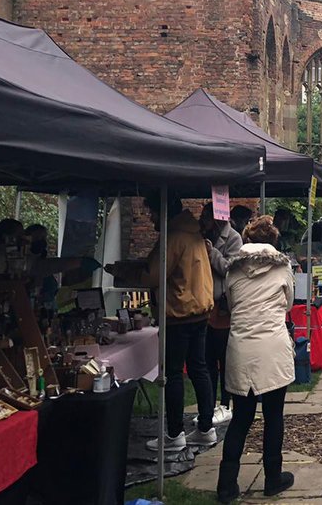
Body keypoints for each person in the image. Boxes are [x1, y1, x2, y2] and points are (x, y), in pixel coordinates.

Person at [106, 191, 216, 453]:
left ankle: (175, 433)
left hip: (179, 313)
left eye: (152, 213)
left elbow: (153, 275)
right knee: (199, 369)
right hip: (198, 310)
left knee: (174, 374)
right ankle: (205, 428)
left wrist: (125, 271)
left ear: (163, 211)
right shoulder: (193, 232)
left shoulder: (174, 236)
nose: (151, 219)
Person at [216, 215, 296, 502]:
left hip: (241, 348)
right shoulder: (283, 268)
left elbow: (231, 302)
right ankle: (273, 477)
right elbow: (287, 304)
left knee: (241, 417)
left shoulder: (233, 271)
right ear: (274, 241)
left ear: (247, 240)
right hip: (272, 348)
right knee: (274, 416)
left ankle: (226, 485)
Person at [201, 203, 244, 427]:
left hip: (223, 307)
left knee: (224, 360)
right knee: (206, 361)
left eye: (206, 217)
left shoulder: (234, 238)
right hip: (205, 305)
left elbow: (231, 269)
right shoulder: (203, 235)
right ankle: (208, 405)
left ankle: (225, 403)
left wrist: (212, 253)